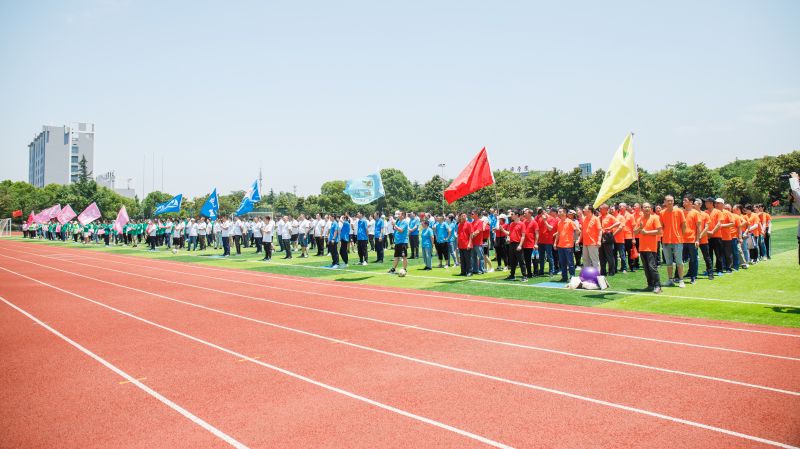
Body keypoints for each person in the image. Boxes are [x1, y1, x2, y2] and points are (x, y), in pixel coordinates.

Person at [659, 195, 687, 287]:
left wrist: (681, 235)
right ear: (665, 202)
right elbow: (661, 226)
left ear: (673, 201)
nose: (670, 202)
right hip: (666, 240)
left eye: (671, 200)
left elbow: (684, 225)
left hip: (677, 240)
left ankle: (681, 280)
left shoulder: (679, 211)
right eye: (668, 201)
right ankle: (670, 280)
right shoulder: (662, 213)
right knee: (668, 262)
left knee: (679, 262)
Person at [636, 203, 663, 294]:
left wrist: (646, 232)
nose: (647, 208)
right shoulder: (640, 219)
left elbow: (659, 231)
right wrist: (639, 227)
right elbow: (635, 232)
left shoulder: (654, 218)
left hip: (651, 247)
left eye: (648, 207)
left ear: (651, 209)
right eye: (645, 207)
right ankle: (650, 285)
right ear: (642, 209)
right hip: (642, 247)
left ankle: (657, 285)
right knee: (646, 268)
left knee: (652, 267)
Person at [553, 208, 579, 282]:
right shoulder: (559, 222)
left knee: (570, 262)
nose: (558, 213)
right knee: (562, 262)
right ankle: (564, 277)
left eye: (560, 211)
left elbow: (577, 230)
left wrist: (577, 239)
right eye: (559, 211)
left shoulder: (570, 222)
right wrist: (555, 243)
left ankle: (572, 277)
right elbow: (558, 233)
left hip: (568, 245)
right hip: (560, 245)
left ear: (564, 213)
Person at [682, 196, 701, 284]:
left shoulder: (695, 213)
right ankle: (678, 276)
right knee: (680, 259)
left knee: (693, 259)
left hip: (692, 240)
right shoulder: (681, 212)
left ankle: (693, 277)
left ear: (691, 202)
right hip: (682, 240)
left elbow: (698, 227)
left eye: (685, 200)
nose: (683, 202)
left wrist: (697, 240)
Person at [504, 211, 526, 281]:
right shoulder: (511, 224)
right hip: (511, 244)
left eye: (512, 214)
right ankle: (512, 275)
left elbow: (523, 236)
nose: (511, 216)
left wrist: (520, 245)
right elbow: (509, 234)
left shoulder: (522, 224)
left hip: (518, 244)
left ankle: (524, 276)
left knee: (521, 260)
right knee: (512, 261)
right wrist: (502, 230)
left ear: (517, 215)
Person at [599, 204, 618, 276]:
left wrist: (610, 227)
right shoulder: (599, 217)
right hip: (601, 237)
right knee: (601, 256)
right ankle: (603, 271)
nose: (600, 210)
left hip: (608, 236)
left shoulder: (610, 217)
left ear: (606, 209)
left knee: (609, 255)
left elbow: (618, 223)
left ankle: (611, 271)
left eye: (601, 209)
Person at [581, 205, 601, 270]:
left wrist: (599, 240)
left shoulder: (596, 219)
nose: (583, 210)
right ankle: (587, 275)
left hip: (593, 243)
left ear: (589, 211)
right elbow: (583, 230)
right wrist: (579, 239)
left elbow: (600, 230)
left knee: (595, 260)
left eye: (585, 209)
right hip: (585, 243)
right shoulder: (584, 219)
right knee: (585, 260)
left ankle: (597, 276)